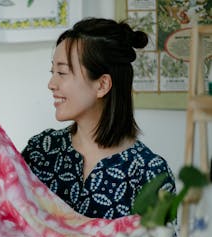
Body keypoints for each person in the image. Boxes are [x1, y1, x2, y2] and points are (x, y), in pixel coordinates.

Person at [21, 17, 176, 220]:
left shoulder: (151, 174)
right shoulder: (41, 151)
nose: (51, 83)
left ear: (102, 85)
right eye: (53, 72)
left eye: (62, 72)